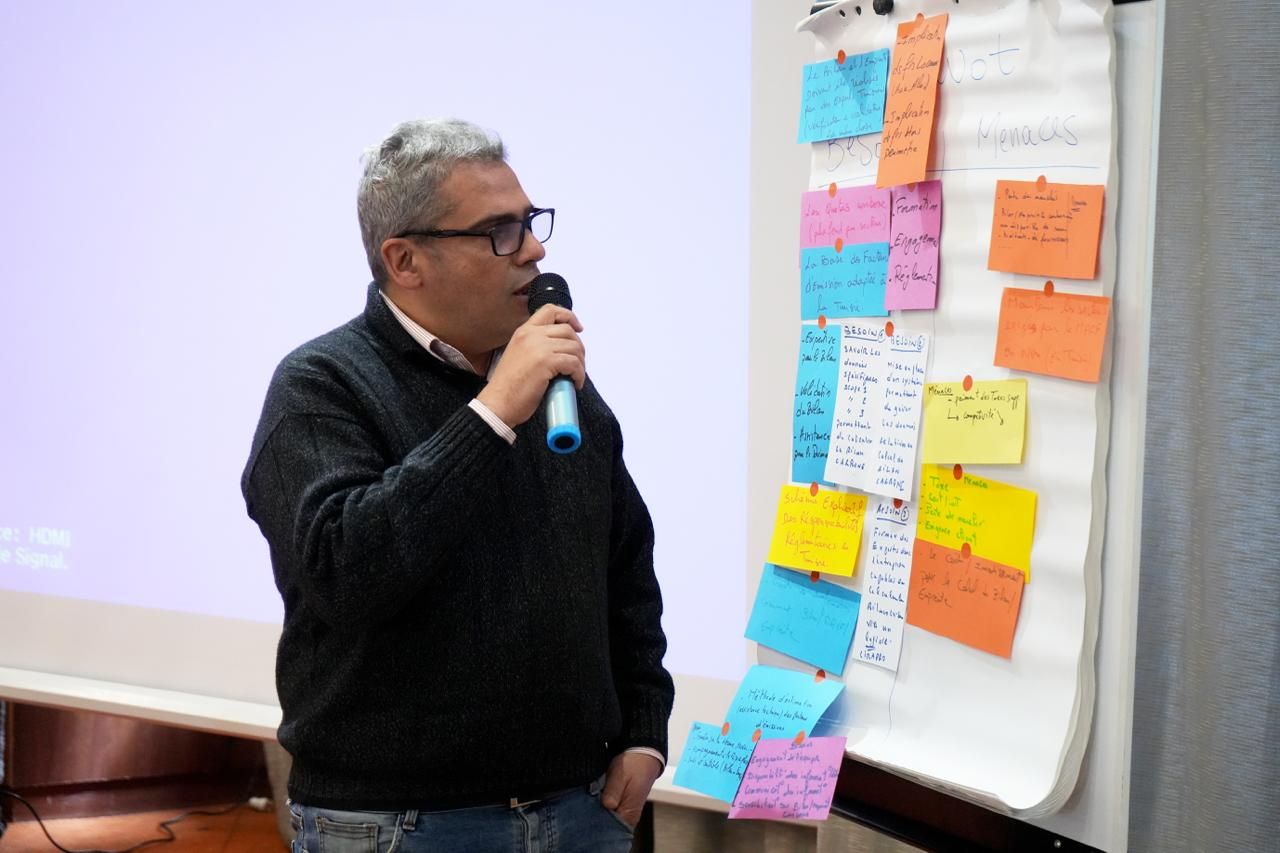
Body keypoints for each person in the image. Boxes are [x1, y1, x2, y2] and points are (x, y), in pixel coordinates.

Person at [241, 118, 673, 852]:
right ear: (405, 260)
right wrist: (492, 414)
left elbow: (624, 565)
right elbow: (346, 572)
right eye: (499, 231)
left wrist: (643, 729)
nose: (533, 250)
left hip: (580, 807)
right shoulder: (320, 386)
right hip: (397, 824)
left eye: (531, 222)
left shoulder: (559, 388)